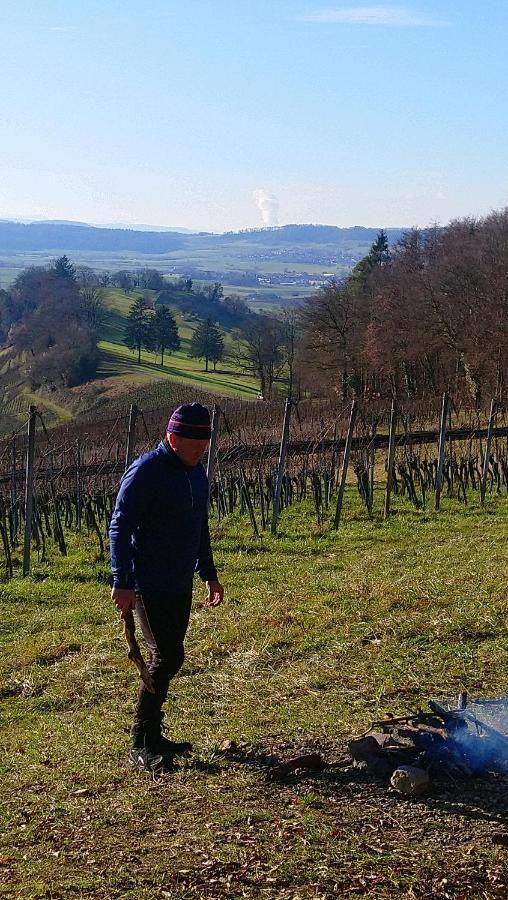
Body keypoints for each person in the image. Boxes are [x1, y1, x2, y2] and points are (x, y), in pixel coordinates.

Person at [109, 402, 224, 772]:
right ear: (172, 438)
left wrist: (208, 572)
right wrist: (122, 581)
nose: (199, 453)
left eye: (204, 447)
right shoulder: (147, 471)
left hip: (179, 581)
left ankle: (154, 736)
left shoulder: (196, 474)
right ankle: (140, 741)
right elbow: (120, 525)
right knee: (168, 657)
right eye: (193, 447)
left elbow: (198, 525)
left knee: (170, 655)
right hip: (147, 582)